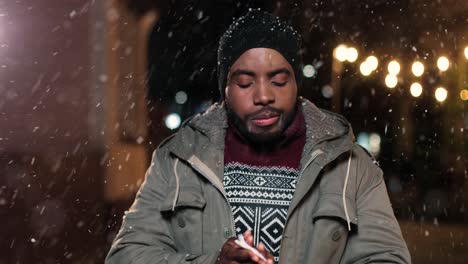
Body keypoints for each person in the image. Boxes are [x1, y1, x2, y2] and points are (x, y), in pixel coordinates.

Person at [106, 9, 411, 264]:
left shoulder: (350, 165)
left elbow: (387, 258)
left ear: (295, 83)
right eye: (244, 82)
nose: (264, 95)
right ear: (224, 89)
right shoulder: (177, 160)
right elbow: (125, 255)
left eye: (279, 80)